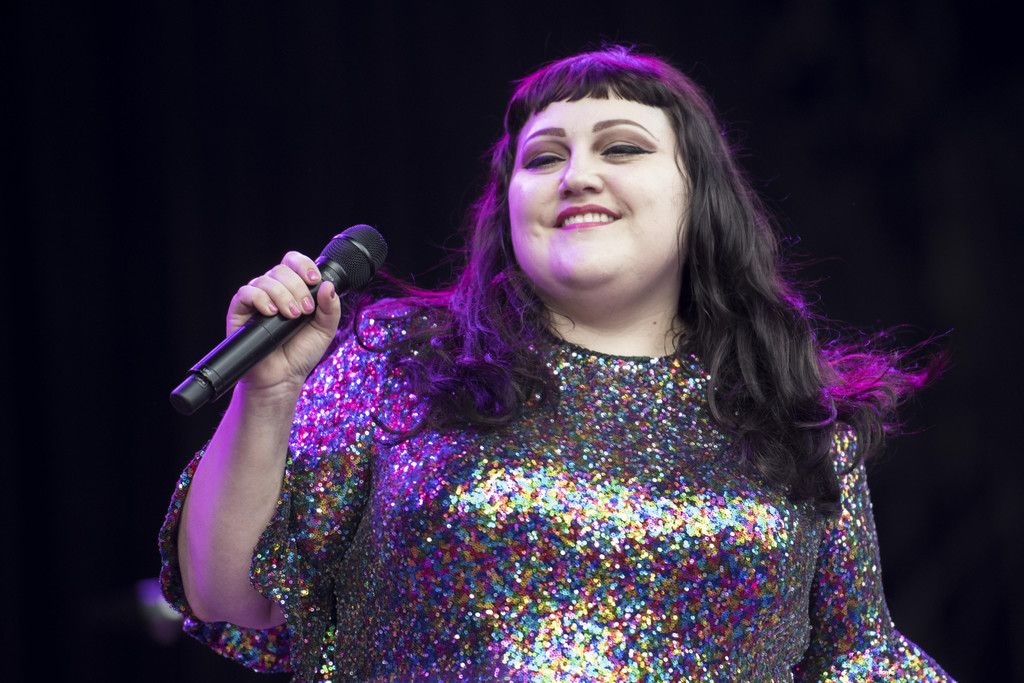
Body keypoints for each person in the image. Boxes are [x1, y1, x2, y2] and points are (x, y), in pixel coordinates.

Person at [159, 46, 955, 681]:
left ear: (699, 195)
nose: (578, 176)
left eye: (622, 148)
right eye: (542, 158)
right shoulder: (402, 362)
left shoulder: (794, 417)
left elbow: (859, 657)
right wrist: (267, 395)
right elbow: (228, 594)